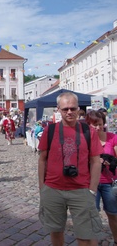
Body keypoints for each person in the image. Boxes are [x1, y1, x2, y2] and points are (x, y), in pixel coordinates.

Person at [38, 92, 103, 246]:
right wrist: (42, 187)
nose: (69, 112)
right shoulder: (50, 130)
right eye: (65, 109)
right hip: (53, 189)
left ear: (79, 109)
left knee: (85, 235)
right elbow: (42, 160)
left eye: (73, 108)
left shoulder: (88, 131)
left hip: (81, 190)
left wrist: (92, 189)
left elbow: (96, 161)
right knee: (56, 231)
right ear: (58, 109)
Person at [85, 110, 117, 243]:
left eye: (99, 124)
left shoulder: (112, 137)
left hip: (109, 182)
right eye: (94, 124)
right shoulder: (85, 139)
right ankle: (92, 242)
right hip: (91, 182)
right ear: (88, 125)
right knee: (92, 215)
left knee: (113, 214)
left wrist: (110, 161)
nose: (97, 127)